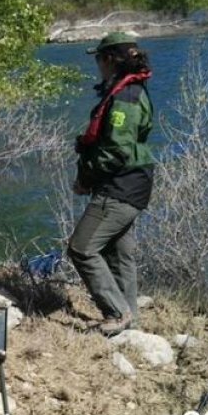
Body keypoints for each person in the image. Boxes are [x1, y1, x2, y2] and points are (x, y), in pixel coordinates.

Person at [68, 31, 155, 336]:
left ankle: (117, 314)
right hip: (132, 184)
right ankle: (129, 320)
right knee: (119, 253)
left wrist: (84, 178)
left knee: (81, 248)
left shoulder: (126, 97)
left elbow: (116, 150)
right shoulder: (126, 91)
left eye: (98, 59)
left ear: (109, 59)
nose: (96, 65)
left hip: (121, 186)